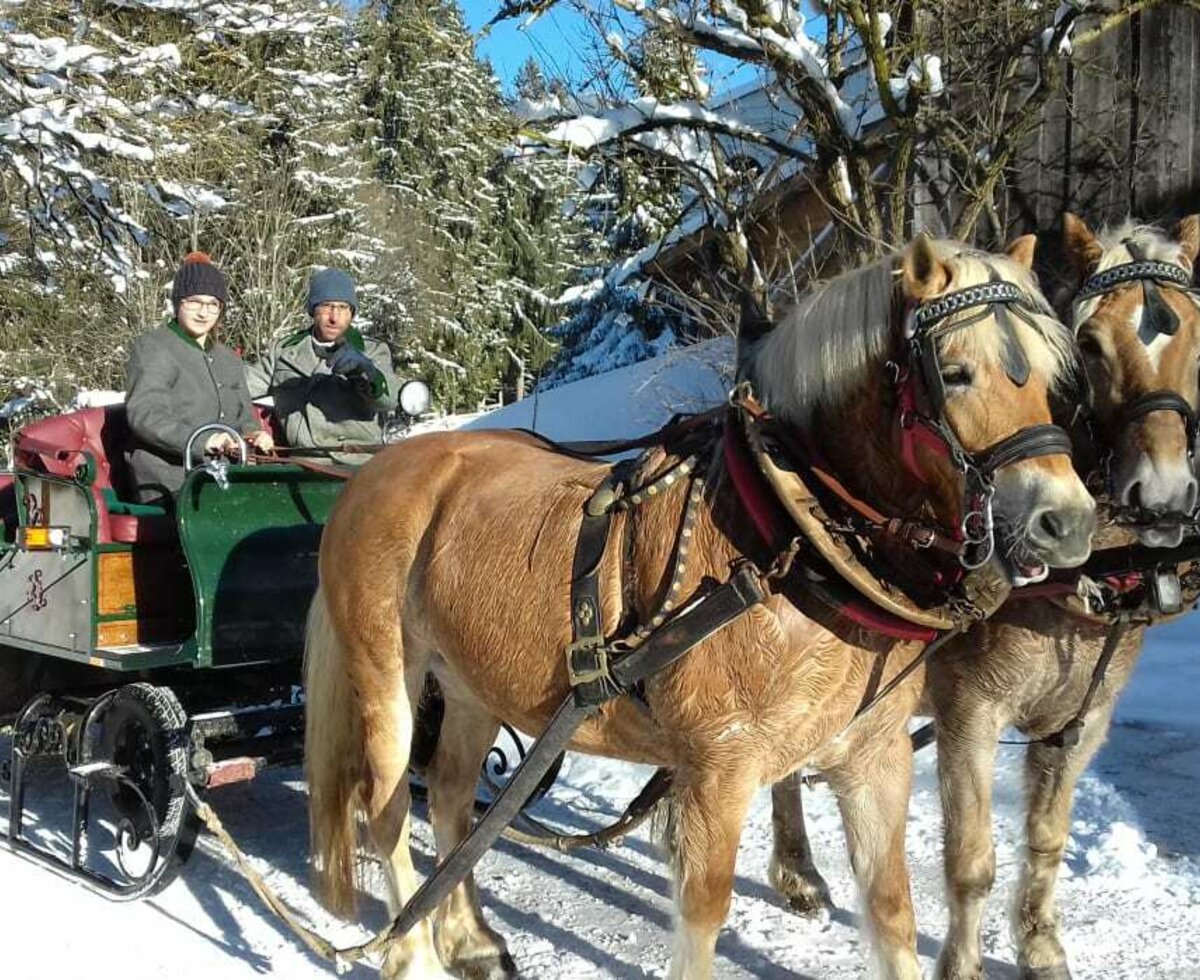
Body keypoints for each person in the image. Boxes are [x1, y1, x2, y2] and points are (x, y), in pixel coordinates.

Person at [124, 252, 274, 504]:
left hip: (226, 474)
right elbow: (146, 414)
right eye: (194, 302)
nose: (204, 313)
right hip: (169, 477)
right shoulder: (154, 347)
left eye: (213, 304)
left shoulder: (228, 359)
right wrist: (204, 441)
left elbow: (245, 417)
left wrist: (253, 435)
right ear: (178, 302)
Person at [247, 268, 398, 456]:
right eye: (327, 306)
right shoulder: (283, 352)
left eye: (343, 307)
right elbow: (239, 389)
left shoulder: (372, 351)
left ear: (351, 313)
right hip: (300, 463)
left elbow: (390, 399)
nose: (334, 317)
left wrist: (367, 375)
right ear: (313, 310)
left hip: (357, 463)